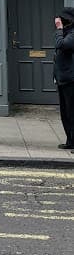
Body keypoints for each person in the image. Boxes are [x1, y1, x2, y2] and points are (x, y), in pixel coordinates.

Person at [53, 8, 74, 152]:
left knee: (72, 113)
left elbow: (62, 45)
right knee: (65, 113)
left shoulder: (72, 34)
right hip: (63, 79)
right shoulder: (66, 33)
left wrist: (59, 29)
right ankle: (70, 141)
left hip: (71, 79)